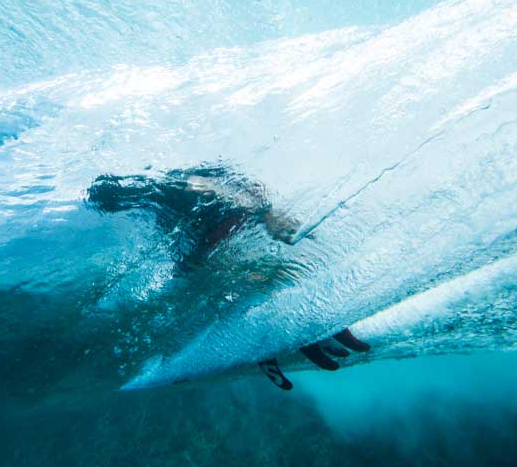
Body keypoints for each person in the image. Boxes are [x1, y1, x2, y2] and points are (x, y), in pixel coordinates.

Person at [87, 163, 369, 389]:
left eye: (114, 205)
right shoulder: (167, 182)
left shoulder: (161, 190)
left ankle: (304, 332)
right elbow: (231, 185)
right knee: (255, 279)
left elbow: (217, 207)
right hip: (241, 220)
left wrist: (262, 217)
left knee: (248, 281)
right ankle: (302, 332)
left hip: (235, 224)